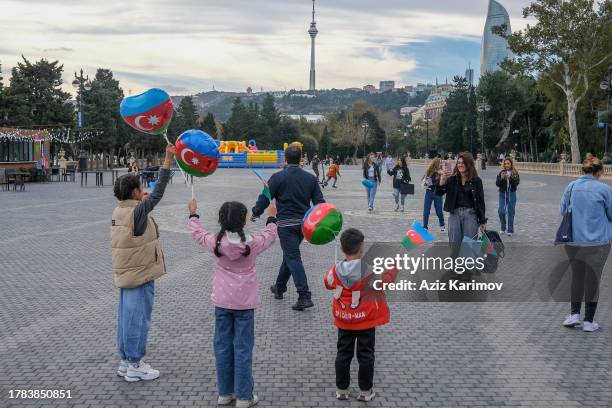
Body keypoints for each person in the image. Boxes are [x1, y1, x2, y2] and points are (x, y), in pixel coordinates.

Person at [188, 199, 278, 407]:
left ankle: (225, 393)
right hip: (245, 305)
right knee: (243, 349)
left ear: (221, 220)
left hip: (222, 303)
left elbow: (198, 233)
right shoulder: (251, 243)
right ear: (244, 221)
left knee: (222, 347)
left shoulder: (215, 242)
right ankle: (244, 396)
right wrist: (272, 216)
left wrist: (193, 214)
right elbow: (270, 235)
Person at [112, 144, 176, 382]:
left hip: (126, 274)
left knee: (126, 319)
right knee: (138, 319)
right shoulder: (137, 211)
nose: (144, 190)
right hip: (140, 275)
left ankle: (126, 361)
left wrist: (142, 202)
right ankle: (135, 364)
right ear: (135, 193)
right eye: (141, 188)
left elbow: (143, 205)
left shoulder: (120, 210)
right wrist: (168, 159)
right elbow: (158, 192)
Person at [324, 228, 397, 402]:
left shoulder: (335, 270)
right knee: (365, 355)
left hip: (344, 319)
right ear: (362, 248)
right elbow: (384, 282)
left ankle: (342, 389)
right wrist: (393, 267)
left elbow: (327, 283)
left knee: (343, 354)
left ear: (342, 249)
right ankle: (365, 391)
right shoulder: (369, 271)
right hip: (365, 320)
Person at [252, 145, 325, 311]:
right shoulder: (310, 178)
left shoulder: (278, 177)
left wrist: (256, 212)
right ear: (301, 159)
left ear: (285, 159)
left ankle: (304, 295)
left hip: (285, 225)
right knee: (289, 256)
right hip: (304, 226)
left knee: (293, 258)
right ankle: (279, 287)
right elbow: (320, 203)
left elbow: (265, 197)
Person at [560, 156, 612, 332]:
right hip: (599, 243)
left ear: (582, 170)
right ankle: (589, 321)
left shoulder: (572, 186)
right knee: (592, 280)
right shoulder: (604, 189)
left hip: (574, 240)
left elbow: (562, 210)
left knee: (577, 277)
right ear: (599, 171)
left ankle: (574, 314)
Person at [437, 152, 487, 256]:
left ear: (469, 164)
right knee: (454, 242)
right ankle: (455, 267)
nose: (460, 165)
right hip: (454, 214)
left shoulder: (477, 181)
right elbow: (439, 193)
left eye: (463, 163)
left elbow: (481, 201)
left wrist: (482, 221)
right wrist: (442, 180)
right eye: (459, 163)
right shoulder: (452, 179)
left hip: (470, 215)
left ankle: (467, 268)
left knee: (469, 243)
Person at [496, 157, 520, 237]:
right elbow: (497, 184)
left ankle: (510, 230)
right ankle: (503, 226)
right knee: (501, 211)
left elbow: (516, 183)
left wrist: (511, 178)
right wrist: (502, 178)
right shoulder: (501, 172)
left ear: (511, 164)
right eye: (505, 163)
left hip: (512, 194)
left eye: (508, 163)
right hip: (502, 194)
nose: (506, 165)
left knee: (511, 212)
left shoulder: (515, 173)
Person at [422, 157, 445, 232]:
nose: (441, 164)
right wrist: (426, 181)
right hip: (429, 193)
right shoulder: (429, 171)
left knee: (439, 211)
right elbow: (427, 182)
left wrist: (442, 176)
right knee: (426, 211)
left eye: (441, 162)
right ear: (436, 163)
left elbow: (443, 184)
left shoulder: (442, 172)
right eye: (440, 162)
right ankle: (425, 226)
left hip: (438, 194)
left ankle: (442, 225)